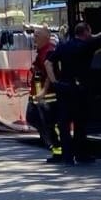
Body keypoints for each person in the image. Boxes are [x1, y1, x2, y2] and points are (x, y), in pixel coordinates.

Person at [48, 20, 101, 165]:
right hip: (79, 89)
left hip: (63, 88)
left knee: (64, 124)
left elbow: (48, 63)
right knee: (80, 123)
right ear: (87, 32)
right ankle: (81, 154)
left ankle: (67, 157)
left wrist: (54, 82)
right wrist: (93, 36)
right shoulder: (88, 45)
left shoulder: (63, 46)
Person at [25, 26, 60, 157]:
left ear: (46, 37)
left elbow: (50, 74)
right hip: (39, 96)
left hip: (48, 97)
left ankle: (58, 150)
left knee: (51, 124)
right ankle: (53, 146)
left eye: (37, 36)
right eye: (34, 35)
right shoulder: (41, 51)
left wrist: (44, 92)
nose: (34, 38)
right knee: (34, 118)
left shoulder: (48, 52)